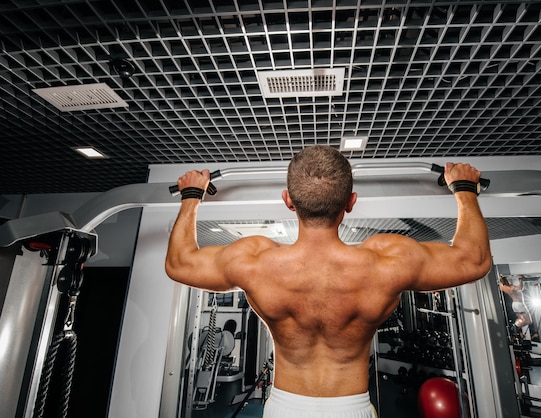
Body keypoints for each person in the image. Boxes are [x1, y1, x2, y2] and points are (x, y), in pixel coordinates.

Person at [165, 145, 491, 418]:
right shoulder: (387, 262)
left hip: (284, 409)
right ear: (350, 202)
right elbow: (473, 260)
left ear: (288, 200)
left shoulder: (255, 263)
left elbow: (180, 264)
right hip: (352, 408)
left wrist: (191, 195)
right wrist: (464, 189)